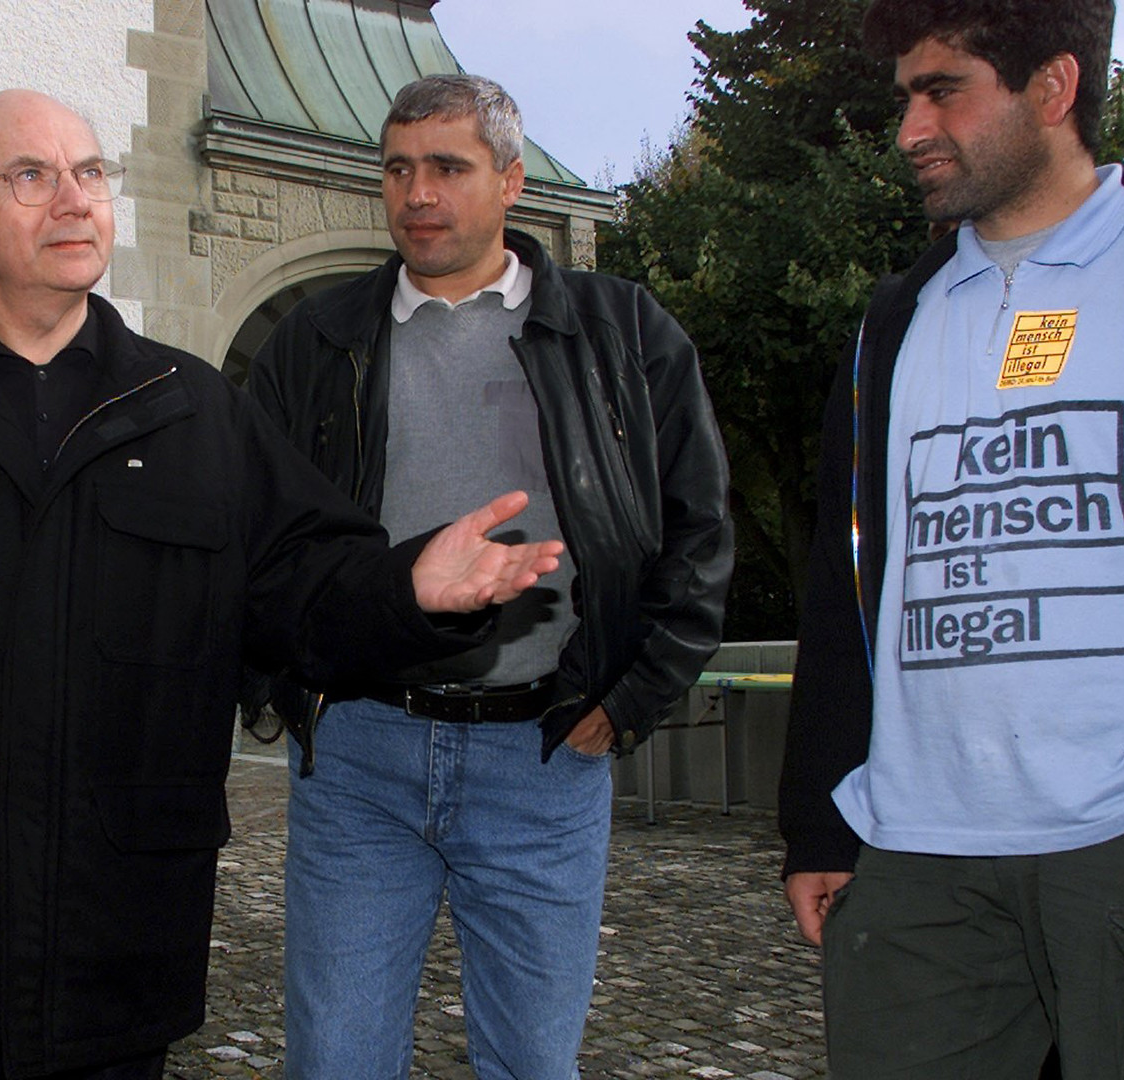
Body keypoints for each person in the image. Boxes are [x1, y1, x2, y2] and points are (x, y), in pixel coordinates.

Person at [0, 88, 566, 1080]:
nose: (74, 200)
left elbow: (309, 594)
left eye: (90, 172)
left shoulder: (192, 411)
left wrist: (412, 589)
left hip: (121, 945)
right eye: (30, 176)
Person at [246, 73, 732, 1079]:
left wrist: (635, 697)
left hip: (543, 758)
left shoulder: (624, 333)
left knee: (531, 1066)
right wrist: (285, 681)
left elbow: (700, 528)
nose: (419, 193)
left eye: (448, 168)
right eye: (398, 169)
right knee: (334, 1060)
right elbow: (257, 539)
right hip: (360, 756)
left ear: (511, 182)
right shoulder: (317, 340)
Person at [778, 2, 1124, 1075]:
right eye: (905, 95)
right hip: (920, 850)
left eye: (943, 91)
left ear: (1053, 86)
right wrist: (818, 818)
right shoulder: (896, 320)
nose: (909, 129)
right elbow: (845, 577)